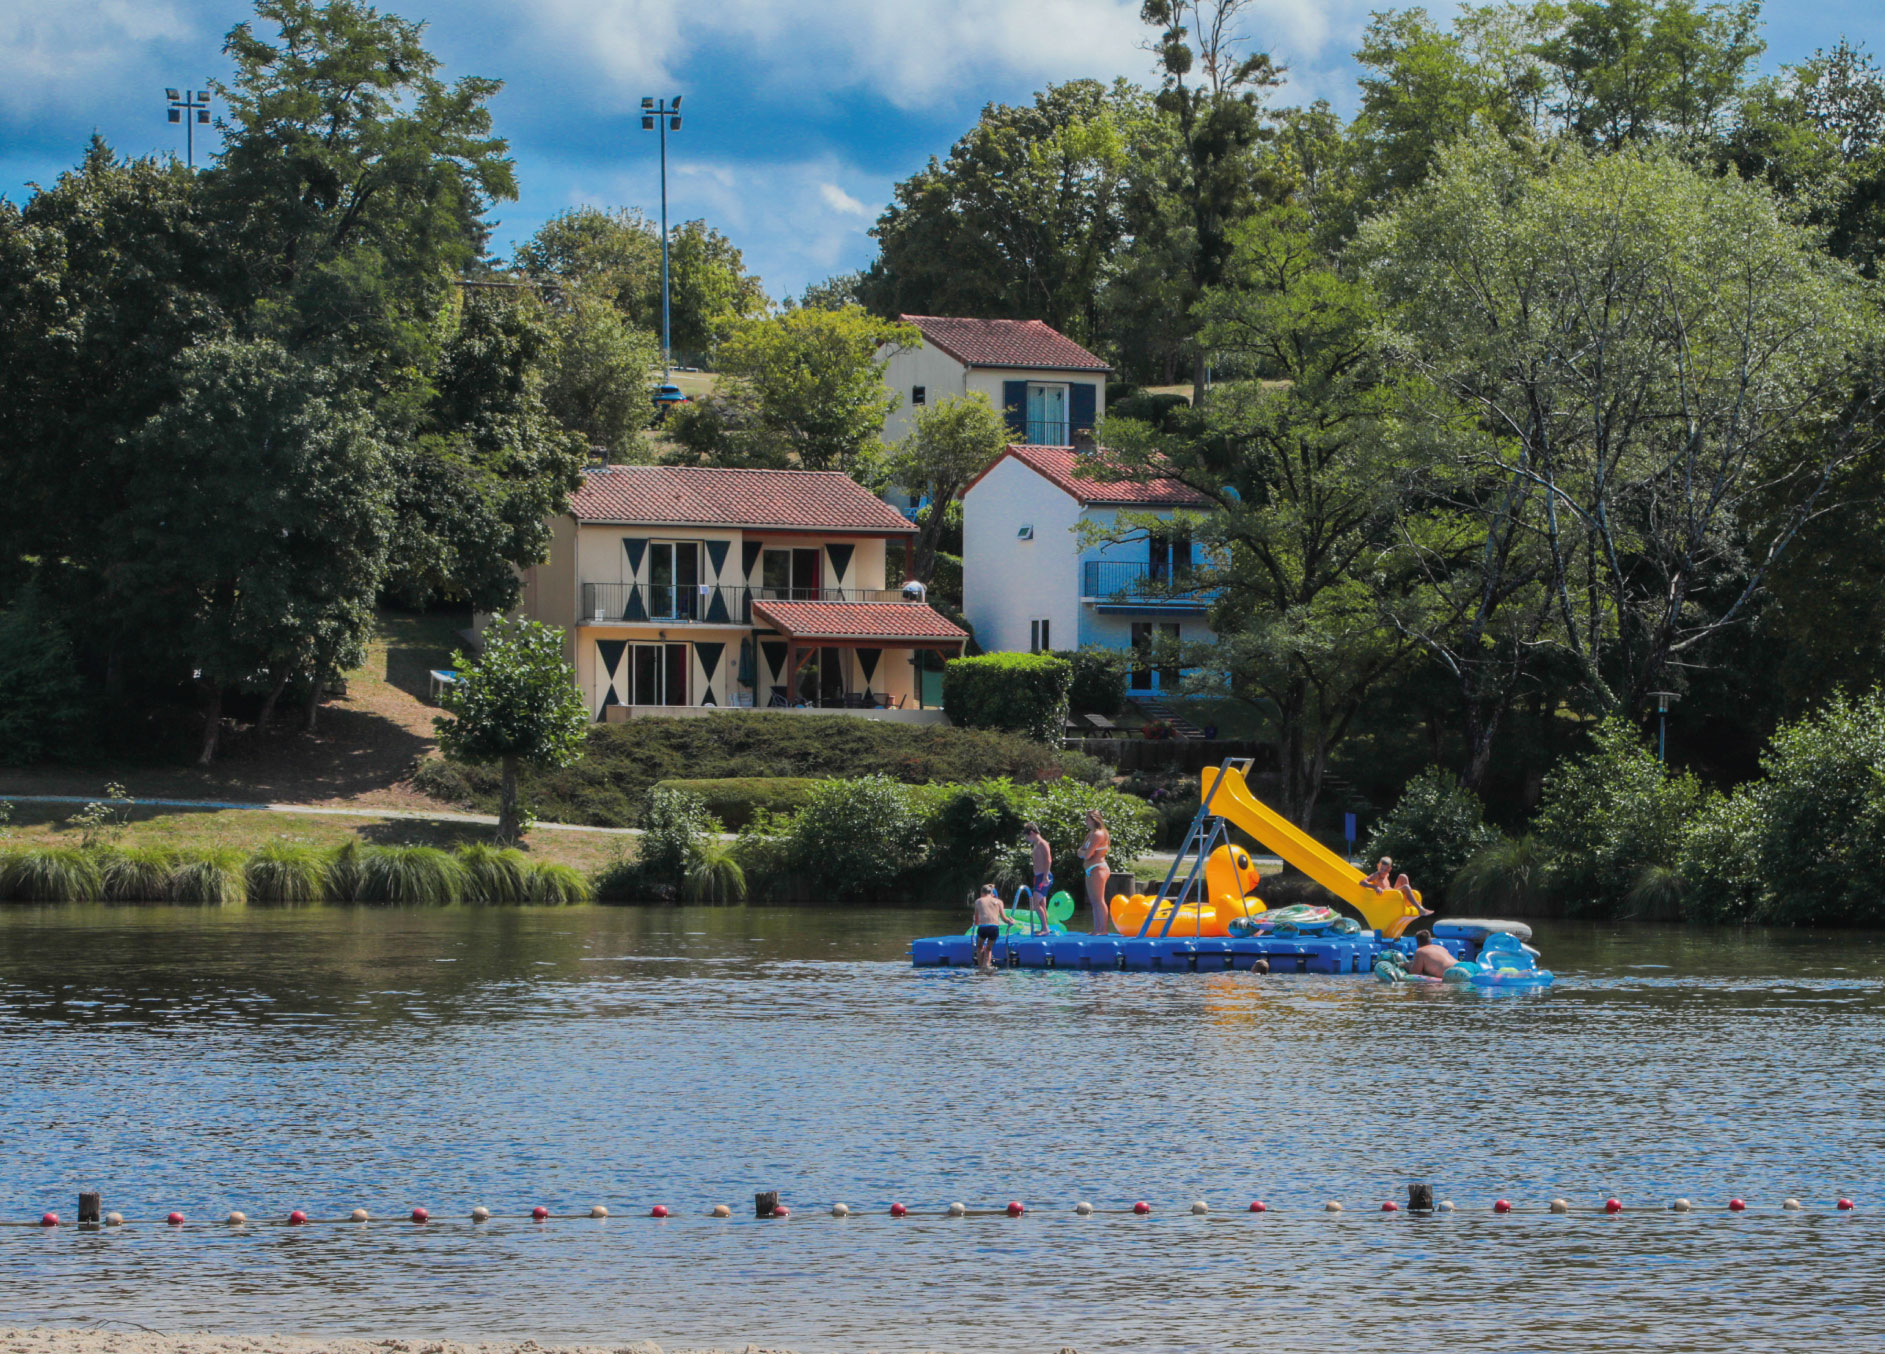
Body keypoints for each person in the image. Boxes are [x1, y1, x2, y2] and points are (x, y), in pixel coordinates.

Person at [1079, 809, 1113, 935]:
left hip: (1098, 868)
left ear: (1094, 820)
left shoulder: (1099, 834)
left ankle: (1103, 929)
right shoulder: (1090, 834)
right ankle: (1097, 928)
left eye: (1087, 819)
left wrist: (1083, 853)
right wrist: (1083, 853)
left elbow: (1087, 855)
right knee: (1093, 900)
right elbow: (1080, 851)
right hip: (1090, 869)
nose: (1085, 821)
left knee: (1099, 900)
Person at [971, 884, 1015, 970]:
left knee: (979, 946)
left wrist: (976, 922)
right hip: (994, 928)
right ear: (991, 893)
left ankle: (980, 967)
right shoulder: (999, 902)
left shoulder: (978, 901)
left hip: (983, 927)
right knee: (988, 948)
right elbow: (1004, 918)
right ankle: (986, 966)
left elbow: (976, 921)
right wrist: (1010, 921)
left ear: (982, 893)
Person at [1022, 822, 1053, 933]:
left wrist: (1045, 877)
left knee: (1035, 904)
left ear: (1031, 833)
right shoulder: (1036, 844)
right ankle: (1046, 928)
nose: (1026, 839)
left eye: (1026, 836)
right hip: (1039, 877)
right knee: (1041, 904)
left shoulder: (1042, 843)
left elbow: (1048, 859)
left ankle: (1045, 928)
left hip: (1044, 877)